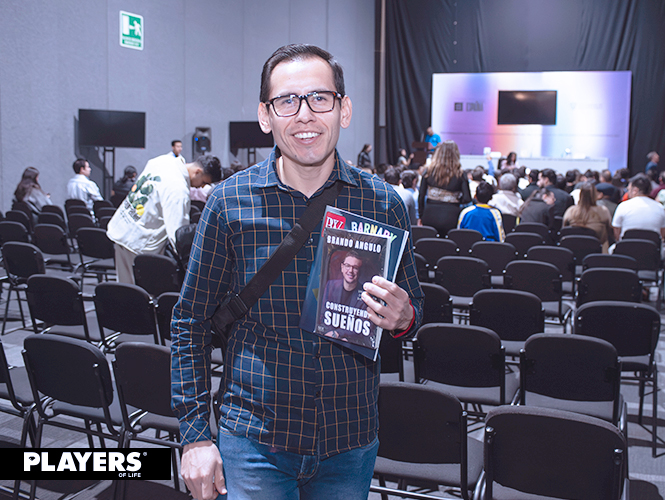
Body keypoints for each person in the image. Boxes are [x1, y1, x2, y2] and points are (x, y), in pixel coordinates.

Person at [171, 44, 423, 500]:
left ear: (344, 110)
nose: (304, 114)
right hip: (255, 441)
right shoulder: (229, 203)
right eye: (287, 101)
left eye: (319, 98)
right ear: (265, 116)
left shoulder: (384, 203)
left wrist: (404, 317)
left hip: (349, 439)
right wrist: (195, 436)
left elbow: (413, 309)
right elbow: (190, 321)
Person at [106, 153, 221, 284]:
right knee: (137, 291)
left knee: (124, 286)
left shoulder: (162, 160)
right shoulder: (178, 189)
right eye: (204, 182)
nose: (201, 187)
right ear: (198, 172)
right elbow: (178, 235)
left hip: (123, 225)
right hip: (137, 242)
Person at [418, 140, 471, 236]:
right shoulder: (460, 174)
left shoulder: (428, 171)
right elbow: (467, 198)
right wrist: (455, 198)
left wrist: (421, 215)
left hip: (429, 215)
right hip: (451, 216)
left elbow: (421, 196)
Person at [318, 251, 369, 345]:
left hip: (351, 343)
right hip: (326, 338)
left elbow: (363, 327)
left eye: (355, 268)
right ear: (342, 267)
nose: (350, 271)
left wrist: (337, 333)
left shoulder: (365, 295)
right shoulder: (331, 285)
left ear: (360, 271)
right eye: (347, 266)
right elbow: (322, 315)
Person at [612, 173, 665, 242]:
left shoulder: (622, 206)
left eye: (628, 190)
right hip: (653, 248)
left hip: (626, 247)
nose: (628, 192)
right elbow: (662, 234)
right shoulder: (660, 208)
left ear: (635, 190)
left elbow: (616, 232)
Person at [562, 182, 613, 252]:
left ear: (581, 194)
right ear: (595, 195)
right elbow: (610, 231)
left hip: (573, 250)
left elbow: (564, 229)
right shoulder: (603, 211)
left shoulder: (571, 211)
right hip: (597, 252)